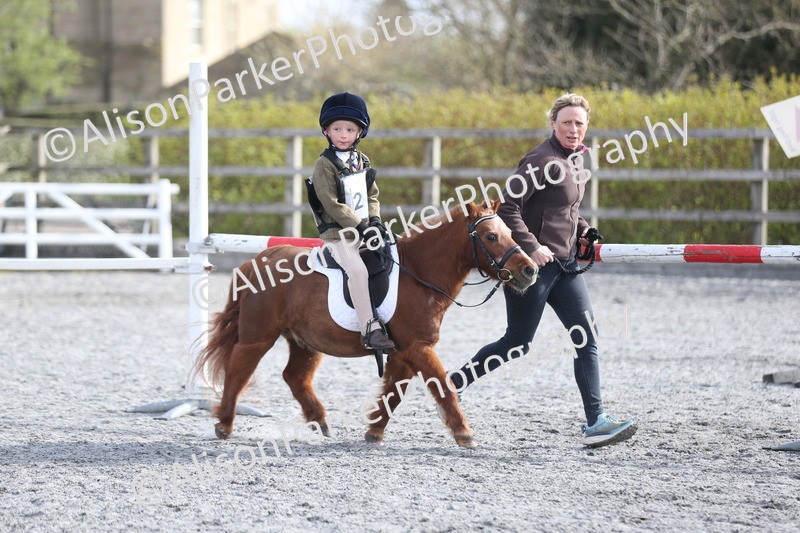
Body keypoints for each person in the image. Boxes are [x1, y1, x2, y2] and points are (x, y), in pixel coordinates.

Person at [449, 93, 637, 448]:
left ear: (586, 126)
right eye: (566, 122)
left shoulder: (578, 159)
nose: (573, 129)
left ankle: (596, 421)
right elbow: (508, 209)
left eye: (579, 123)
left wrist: (584, 230)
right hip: (530, 268)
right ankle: (454, 384)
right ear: (553, 124)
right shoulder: (539, 160)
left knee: (586, 336)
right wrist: (532, 246)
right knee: (517, 343)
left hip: (566, 267)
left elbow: (567, 210)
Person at [309, 92, 394, 351]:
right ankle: (370, 328)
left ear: (359, 133)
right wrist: (361, 227)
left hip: (364, 230)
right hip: (339, 235)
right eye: (337, 129)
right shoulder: (324, 165)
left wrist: (375, 221)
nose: (343, 135)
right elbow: (331, 203)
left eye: (349, 129)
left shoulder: (362, 160)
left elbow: (372, 195)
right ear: (327, 131)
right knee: (357, 271)